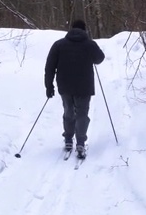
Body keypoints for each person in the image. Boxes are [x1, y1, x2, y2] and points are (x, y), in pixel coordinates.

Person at [44, 19, 105, 159]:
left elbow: (49, 67)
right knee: (82, 114)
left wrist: (49, 85)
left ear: (71, 29)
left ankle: (68, 140)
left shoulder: (59, 44)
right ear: (85, 30)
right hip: (84, 86)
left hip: (64, 85)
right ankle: (81, 143)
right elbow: (99, 59)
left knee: (68, 112)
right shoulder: (89, 44)